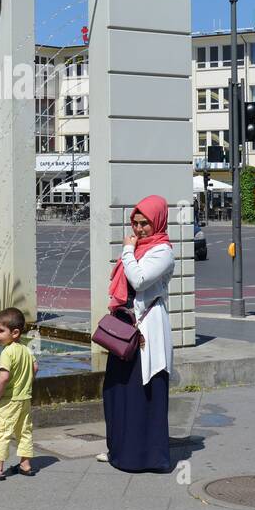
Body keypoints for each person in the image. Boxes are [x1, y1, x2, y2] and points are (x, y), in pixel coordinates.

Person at [100, 195, 174, 473]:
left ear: (158, 221)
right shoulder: (139, 248)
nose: (140, 229)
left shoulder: (162, 251)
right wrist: (131, 251)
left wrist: (128, 251)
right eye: (136, 223)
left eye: (145, 223)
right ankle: (118, 450)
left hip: (145, 331)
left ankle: (146, 457)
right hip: (124, 328)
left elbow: (139, 279)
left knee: (143, 392)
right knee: (117, 391)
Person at [0, 307, 38, 480]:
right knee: (24, 431)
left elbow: (3, 377)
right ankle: (25, 464)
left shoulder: (7, 352)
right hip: (25, 399)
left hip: (9, 401)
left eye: (1, 330)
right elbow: (35, 368)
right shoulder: (26, 350)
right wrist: (26, 383)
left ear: (15, 332)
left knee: (2, 432)